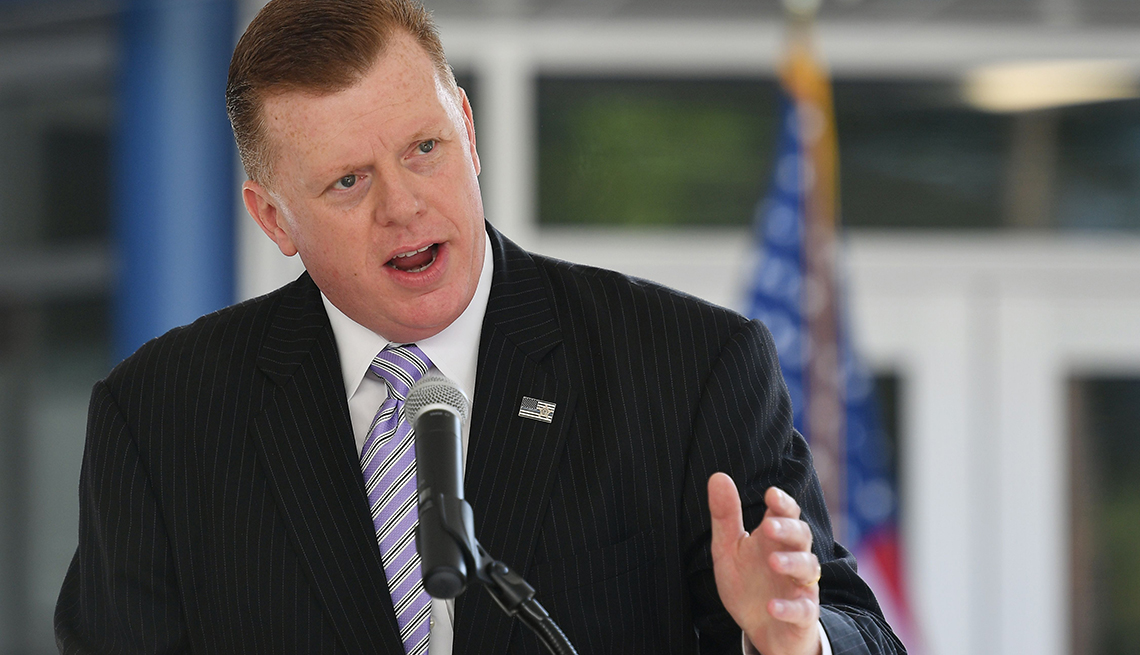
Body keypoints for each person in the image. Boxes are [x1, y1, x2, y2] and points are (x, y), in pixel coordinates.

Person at [55, 1, 904, 654]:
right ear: (274, 220)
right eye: (348, 182)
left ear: (466, 126)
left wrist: (787, 637)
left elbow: (851, 623)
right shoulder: (160, 416)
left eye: (424, 148)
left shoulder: (691, 368)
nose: (403, 204)